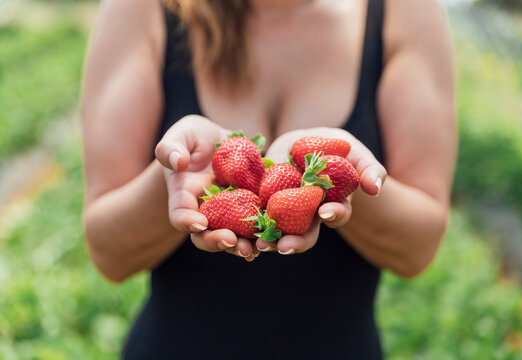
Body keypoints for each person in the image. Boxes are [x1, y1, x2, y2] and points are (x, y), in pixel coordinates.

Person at [81, 0, 456, 358]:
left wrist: (340, 182)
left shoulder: (402, 10)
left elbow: (418, 250)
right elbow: (108, 254)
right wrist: (174, 175)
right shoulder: (144, 8)